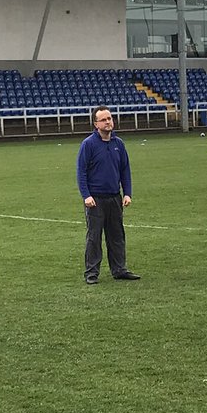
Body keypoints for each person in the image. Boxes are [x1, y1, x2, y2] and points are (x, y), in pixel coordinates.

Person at [76, 106, 140, 284]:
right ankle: (91, 273)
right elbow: (81, 172)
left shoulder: (118, 144)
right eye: (104, 119)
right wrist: (86, 195)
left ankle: (119, 269)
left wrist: (127, 193)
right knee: (94, 237)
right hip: (95, 199)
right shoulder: (88, 144)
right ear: (96, 124)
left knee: (117, 235)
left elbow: (124, 170)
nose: (108, 122)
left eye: (110, 118)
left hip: (114, 197)